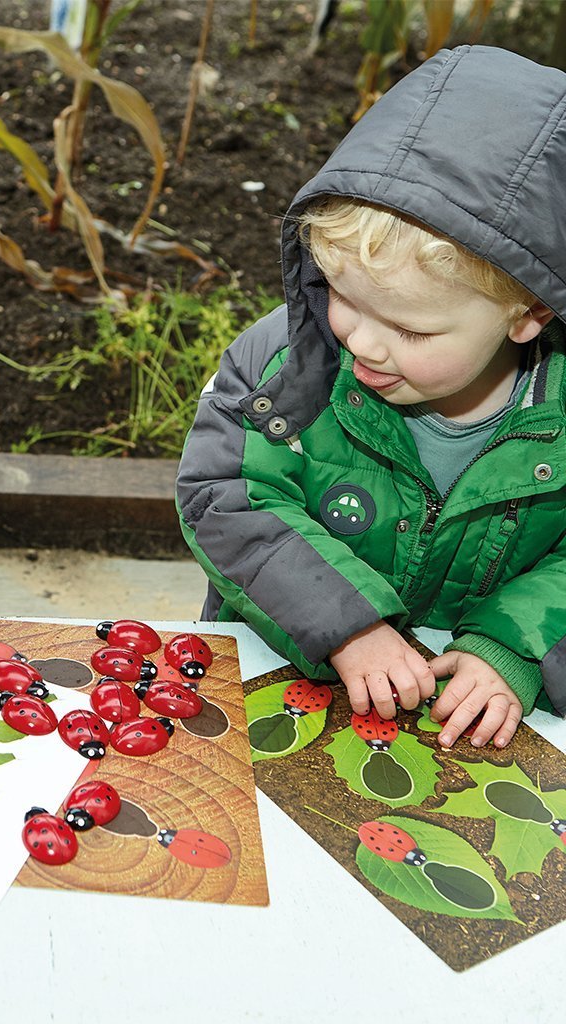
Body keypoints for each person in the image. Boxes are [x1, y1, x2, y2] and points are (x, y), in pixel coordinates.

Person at [177, 45, 566, 750]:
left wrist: (516, 651)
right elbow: (226, 495)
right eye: (344, 297)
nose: (364, 344)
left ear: (529, 314)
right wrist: (346, 623)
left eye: (412, 329)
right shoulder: (284, 367)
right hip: (278, 662)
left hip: (471, 717)